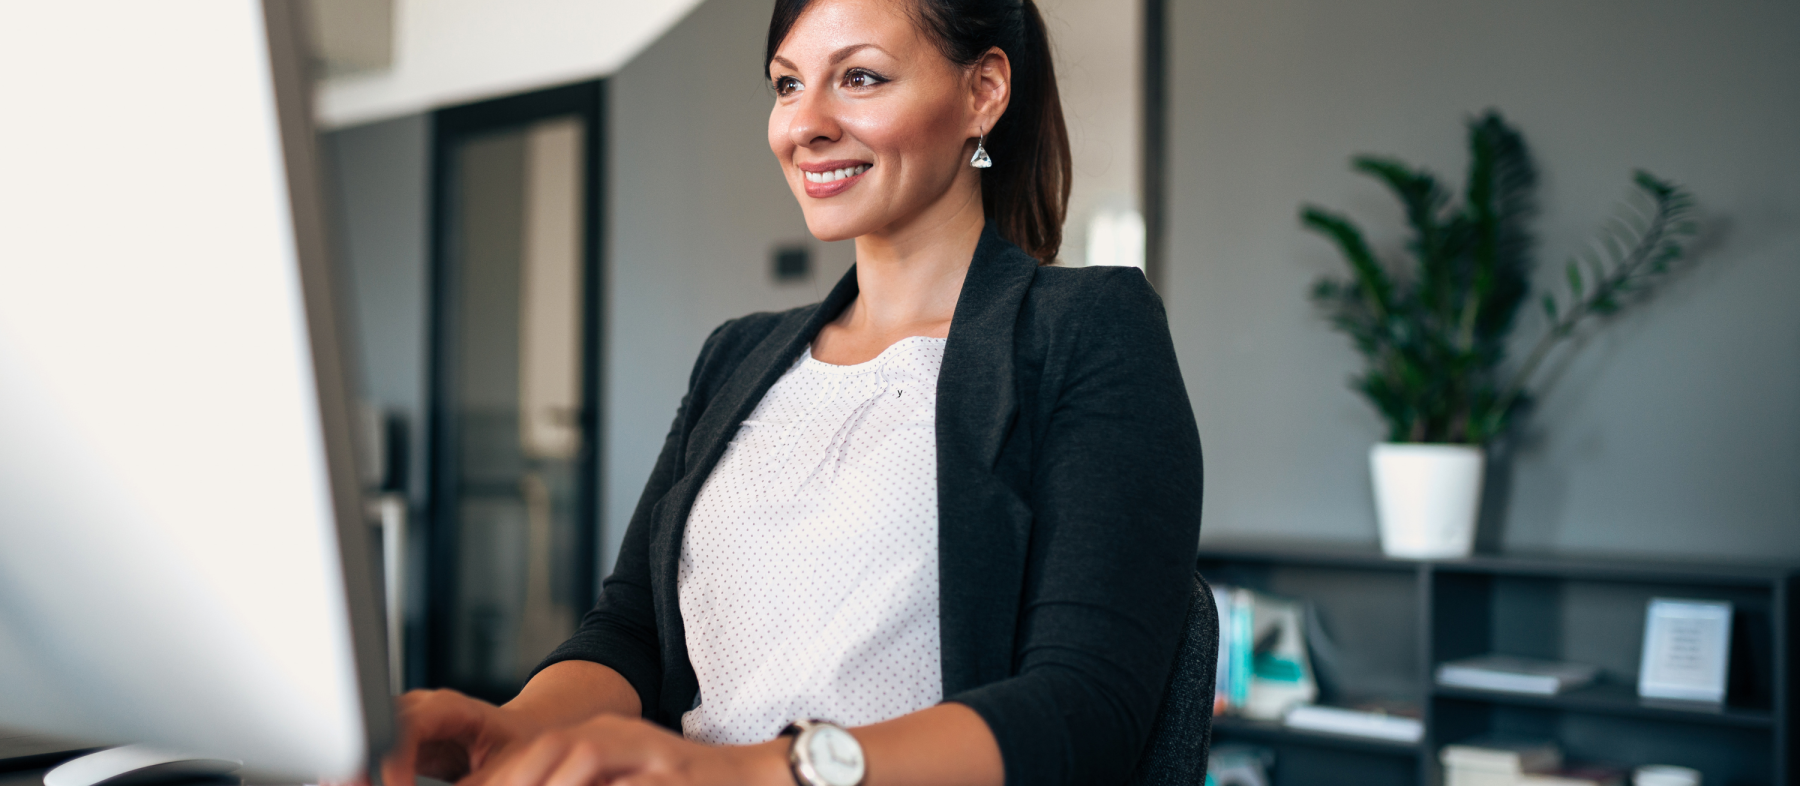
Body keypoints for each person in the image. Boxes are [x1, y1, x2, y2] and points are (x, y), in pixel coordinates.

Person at [378, 0, 1202, 784]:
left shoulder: (1088, 330)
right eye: (786, 83)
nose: (802, 125)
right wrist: (512, 726)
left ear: (983, 90)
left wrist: (755, 772)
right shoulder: (737, 355)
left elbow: (1083, 710)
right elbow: (631, 632)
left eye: (861, 77)